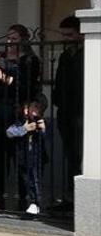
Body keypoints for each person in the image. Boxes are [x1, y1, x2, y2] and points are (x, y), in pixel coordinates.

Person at [0, 24, 41, 209]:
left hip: (16, 111)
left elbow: (29, 87)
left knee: (19, 155)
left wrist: (4, 78)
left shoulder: (30, 60)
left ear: (23, 40)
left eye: (14, 38)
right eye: (8, 38)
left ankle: (24, 199)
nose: (9, 42)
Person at [52, 16, 83, 207]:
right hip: (65, 111)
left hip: (82, 112)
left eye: (70, 35)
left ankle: (78, 199)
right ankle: (70, 197)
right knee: (70, 155)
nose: (66, 38)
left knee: (80, 156)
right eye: (63, 35)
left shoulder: (89, 53)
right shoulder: (65, 55)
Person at [6, 99, 47, 216]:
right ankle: (24, 200)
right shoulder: (21, 122)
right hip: (23, 157)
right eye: (28, 108)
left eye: (35, 107)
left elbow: (46, 138)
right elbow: (9, 132)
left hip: (36, 157)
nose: (28, 111)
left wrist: (42, 128)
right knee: (24, 179)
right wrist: (25, 129)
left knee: (34, 179)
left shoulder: (41, 122)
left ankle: (36, 202)